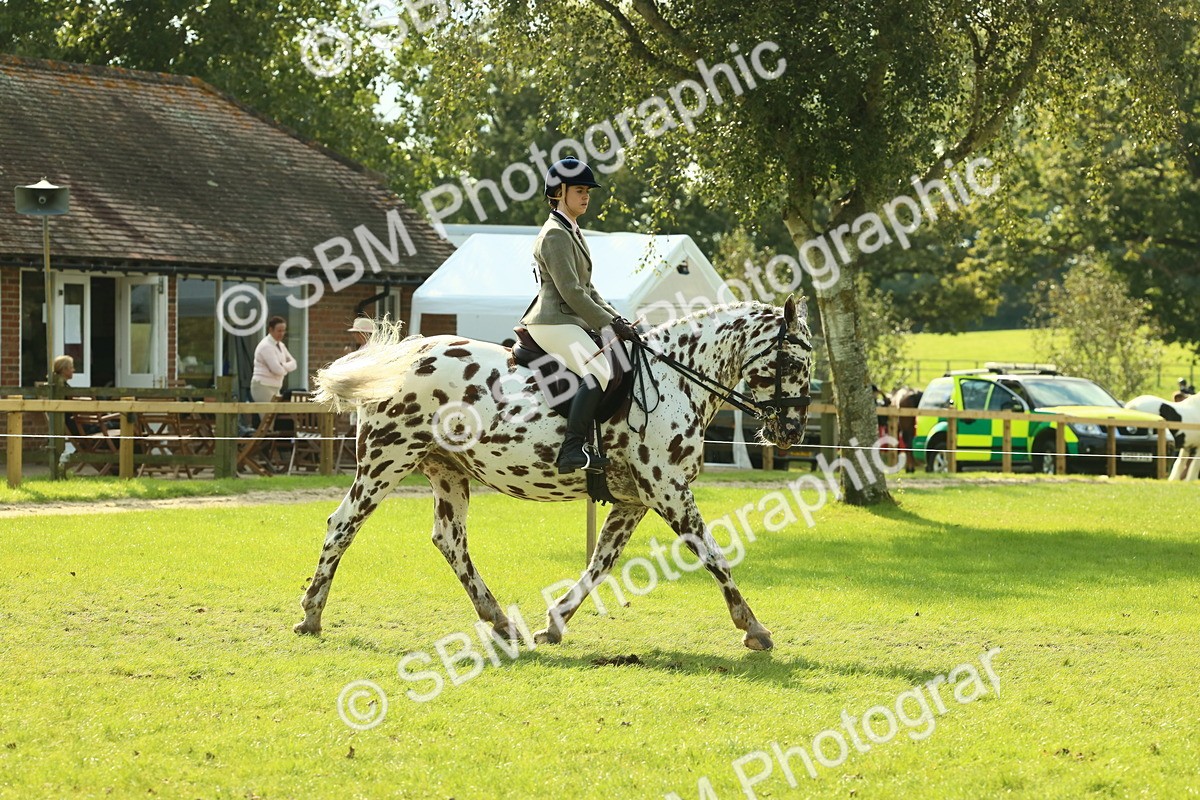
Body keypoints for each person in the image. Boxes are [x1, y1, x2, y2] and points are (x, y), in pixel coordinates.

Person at [520, 157, 640, 474]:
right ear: (559, 191)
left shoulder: (572, 231)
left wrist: (617, 319)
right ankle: (571, 449)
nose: (585, 196)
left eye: (587, 191)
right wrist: (607, 323)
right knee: (600, 370)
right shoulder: (555, 235)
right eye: (579, 190)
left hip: (569, 318)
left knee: (619, 362)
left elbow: (590, 289)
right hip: (552, 319)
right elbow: (572, 292)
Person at [251, 316, 297, 403]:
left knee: (274, 415)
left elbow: (294, 363)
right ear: (270, 330)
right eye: (279, 331)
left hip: (275, 387)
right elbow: (277, 370)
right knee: (269, 415)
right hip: (263, 386)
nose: (282, 333)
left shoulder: (281, 345)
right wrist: (285, 368)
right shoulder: (266, 346)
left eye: (284, 330)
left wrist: (282, 365)